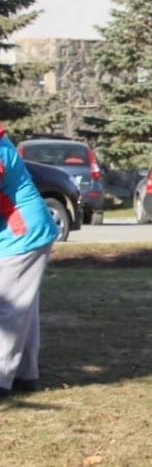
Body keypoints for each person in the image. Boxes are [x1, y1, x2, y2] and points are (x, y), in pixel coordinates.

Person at [0, 125, 60, 398]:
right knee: (22, 306)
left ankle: (2, 379)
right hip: (21, 234)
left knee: (8, 308)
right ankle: (26, 375)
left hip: (23, 234)